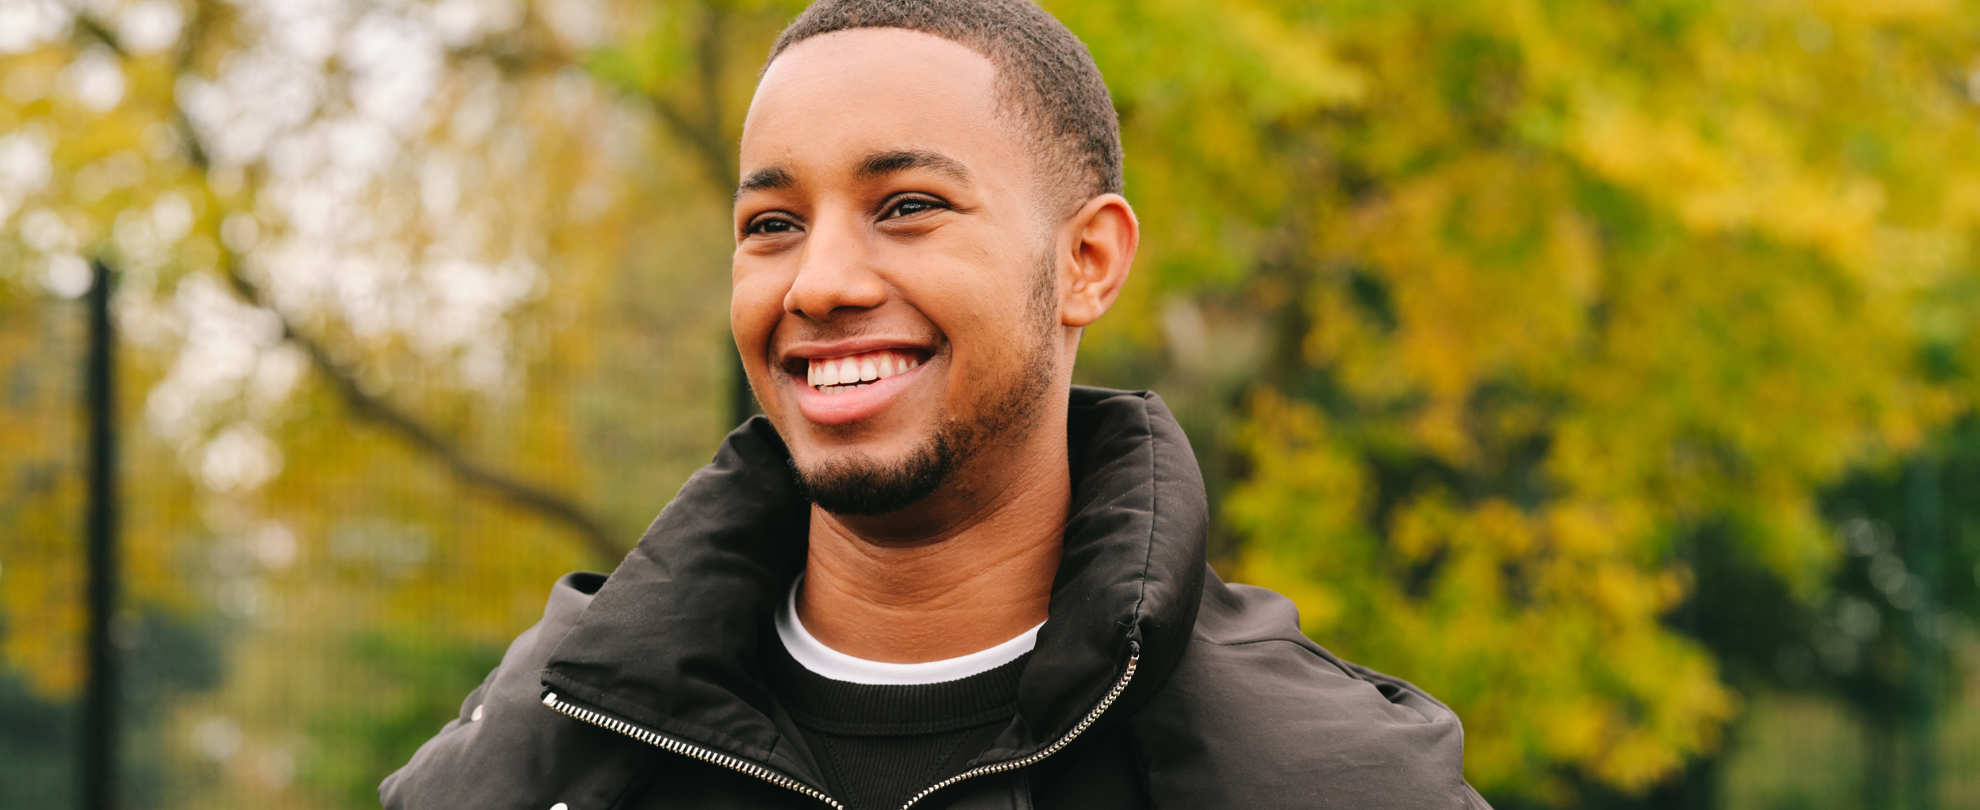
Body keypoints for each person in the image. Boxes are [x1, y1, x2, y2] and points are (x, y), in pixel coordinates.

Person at [382, 1, 1491, 807]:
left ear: (1088, 261)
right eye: (772, 225)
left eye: (907, 206)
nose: (818, 283)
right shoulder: (537, 761)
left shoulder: (1325, 781)